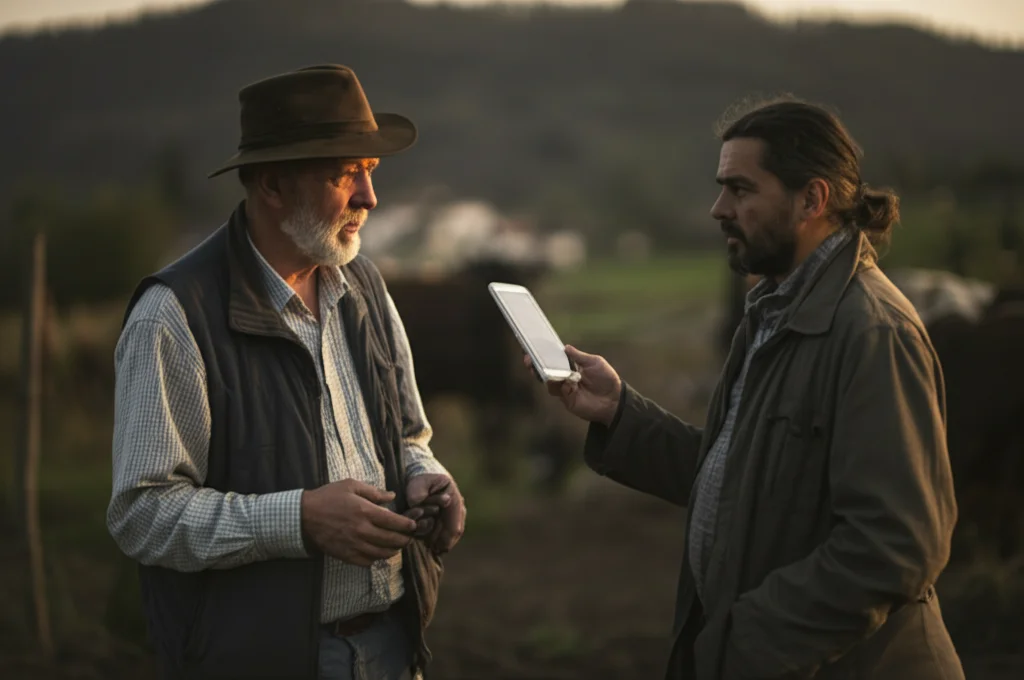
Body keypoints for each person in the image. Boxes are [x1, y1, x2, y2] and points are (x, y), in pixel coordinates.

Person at [537, 99, 963, 679]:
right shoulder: (773, 313)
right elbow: (742, 480)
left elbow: (896, 546)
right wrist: (619, 414)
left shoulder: (872, 333)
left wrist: (745, 641)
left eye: (740, 190)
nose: (718, 209)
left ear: (811, 199)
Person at [107, 64, 465, 680]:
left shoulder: (364, 285)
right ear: (272, 186)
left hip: (391, 645)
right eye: (344, 174)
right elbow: (143, 513)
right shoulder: (175, 316)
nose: (369, 199)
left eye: (370, 172)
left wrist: (425, 477)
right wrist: (298, 519)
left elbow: (407, 435)